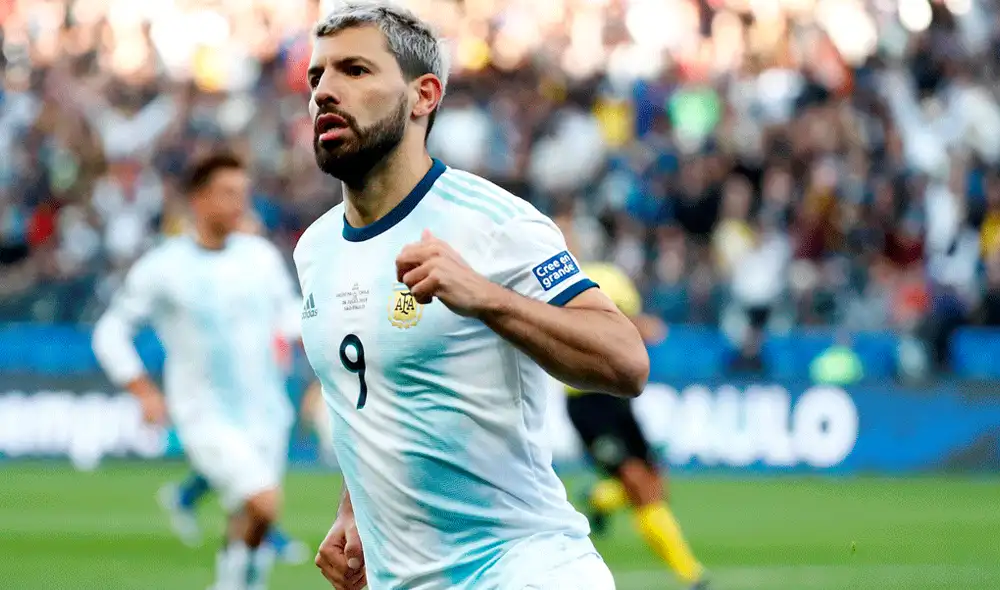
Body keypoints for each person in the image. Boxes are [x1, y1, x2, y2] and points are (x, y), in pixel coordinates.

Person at [295, 3, 649, 589]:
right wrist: (352, 511)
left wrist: (486, 297)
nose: (325, 92)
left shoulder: (493, 224)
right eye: (317, 76)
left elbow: (626, 360)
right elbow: (373, 393)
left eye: (354, 71)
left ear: (423, 96)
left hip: (526, 570)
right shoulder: (315, 249)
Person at [92, 152, 304, 590]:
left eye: (243, 194)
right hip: (204, 415)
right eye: (228, 193)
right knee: (264, 502)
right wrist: (143, 390)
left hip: (267, 411)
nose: (238, 204)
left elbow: (290, 313)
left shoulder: (260, 257)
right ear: (198, 199)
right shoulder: (164, 266)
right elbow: (110, 331)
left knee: (248, 518)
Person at [553, 210, 709, 590]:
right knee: (640, 484)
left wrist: (639, 326)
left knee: (657, 484)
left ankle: (602, 497)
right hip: (587, 401)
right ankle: (693, 577)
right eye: (560, 233)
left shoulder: (609, 278)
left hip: (617, 397)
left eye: (570, 232)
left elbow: (622, 325)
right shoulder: (548, 284)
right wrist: (643, 327)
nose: (566, 240)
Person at [154, 211, 309, 566]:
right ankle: (268, 537)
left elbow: (285, 315)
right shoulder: (221, 281)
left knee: (252, 474)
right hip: (233, 397)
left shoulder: (260, 275)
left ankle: (187, 498)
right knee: (253, 481)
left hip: (265, 390)